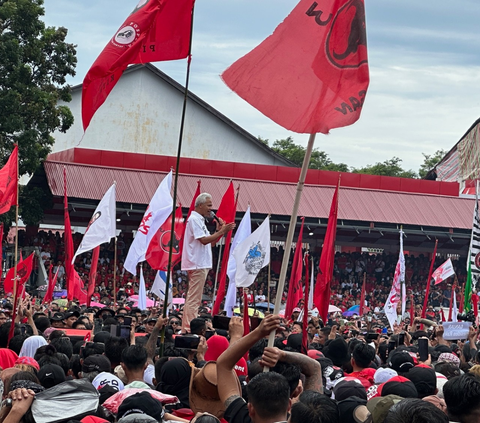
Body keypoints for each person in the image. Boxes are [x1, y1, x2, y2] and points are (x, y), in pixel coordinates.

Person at [181, 193, 235, 333]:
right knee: (194, 298)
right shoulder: (194, 219)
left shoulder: (200, 220)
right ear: (200, 205)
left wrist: (219, 231)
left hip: (200, 263)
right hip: (197, 263)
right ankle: (188, 327)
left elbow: (210, 243)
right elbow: (204, 240)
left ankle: (188, 325)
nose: (211, 209)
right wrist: (222, 231)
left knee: (195, 298)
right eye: (209, 205)